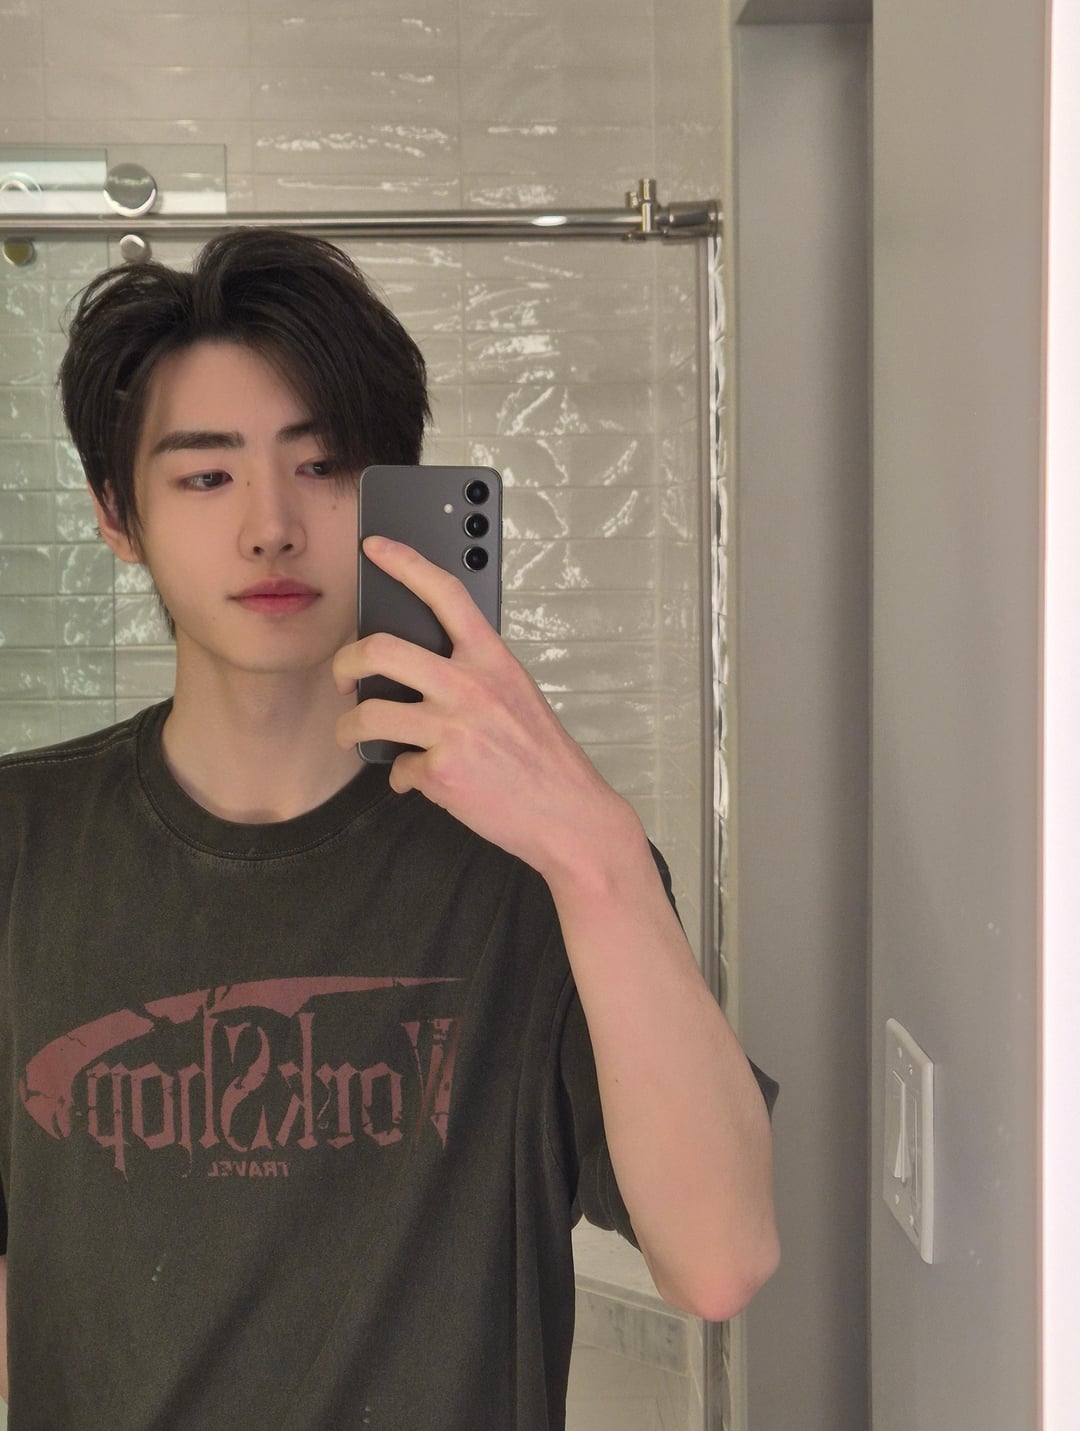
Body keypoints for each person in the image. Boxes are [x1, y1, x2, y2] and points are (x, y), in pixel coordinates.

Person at [0, 228, 778, 1430]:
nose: (270, 525)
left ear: (394, 495)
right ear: (117, 512)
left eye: (322, 466)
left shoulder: (542, 863)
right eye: (206, 477)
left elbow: (720, 1261)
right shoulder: (23, 843)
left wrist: (597, 852)